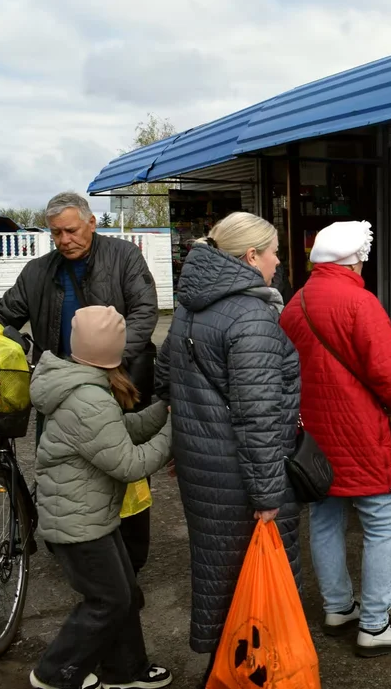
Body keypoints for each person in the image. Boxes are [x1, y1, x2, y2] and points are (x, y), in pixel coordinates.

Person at [0, 191, 159, 575]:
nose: (64, 239)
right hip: (60, 386)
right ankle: (69, 542)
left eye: (71, 230)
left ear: (92, 223)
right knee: (60, 467)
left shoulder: (123, 257)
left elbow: (145, 312)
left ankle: (129, 557)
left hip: (114, 380)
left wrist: (111, 362)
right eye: (56, 233)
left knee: (122, 469)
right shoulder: (37, 272)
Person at [153, 213, 301, 683]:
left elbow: (165, 378)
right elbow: (258, 415)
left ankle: (225, 667)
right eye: (274, 251)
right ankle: (250, 673)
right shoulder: (250, 314)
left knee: (218, 576)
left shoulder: (191, 306)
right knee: (253, 583)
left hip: (203, 466)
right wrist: (267, 496)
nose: (279, 262)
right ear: (251, 256)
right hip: (242, 475)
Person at [280, 221, 391, 658]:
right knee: (384, 521)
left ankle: (338, 607)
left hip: (314, 433)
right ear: (353, 258)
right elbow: (388, 373)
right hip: (361, 431)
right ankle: (376, 624)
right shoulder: (360, 302)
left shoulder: (294, 304)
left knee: (325, 519)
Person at [29, 306, 172, 689]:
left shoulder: (83, 384)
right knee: (109, 601)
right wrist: (174, 433)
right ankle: (54, 673)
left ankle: (125, 670)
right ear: (114, 351)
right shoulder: (88, 399)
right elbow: (129, 462)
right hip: (78, 524)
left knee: (123, 594)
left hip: (89, 515)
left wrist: (162, 413)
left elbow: (119, 429)